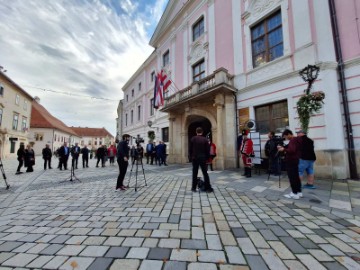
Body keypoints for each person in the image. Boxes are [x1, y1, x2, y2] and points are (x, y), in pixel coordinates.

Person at [277, 129, 303, 199]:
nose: (285, 138)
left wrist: (283, 149)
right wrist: (284, 147)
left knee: (292, 177)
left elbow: (292, 150)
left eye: (285, 136)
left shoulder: (293, 140)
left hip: (291, 161)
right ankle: (299, 192)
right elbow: (292, 148)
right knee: (296, 177)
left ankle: (294, 193)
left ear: (289, 134)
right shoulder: (297, 139)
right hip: (295, 160)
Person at [189, 127, 213, 192]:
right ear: (202, 132)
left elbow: (190, 149)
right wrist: (208, 158)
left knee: (195, 173)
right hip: (203, 158)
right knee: (205, 173)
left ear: (196, 132)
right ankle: (208, 188)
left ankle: (193, 188)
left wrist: (191, 157)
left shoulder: (193, 139)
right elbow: (208, 150)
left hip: (195, 158)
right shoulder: (205, 140)